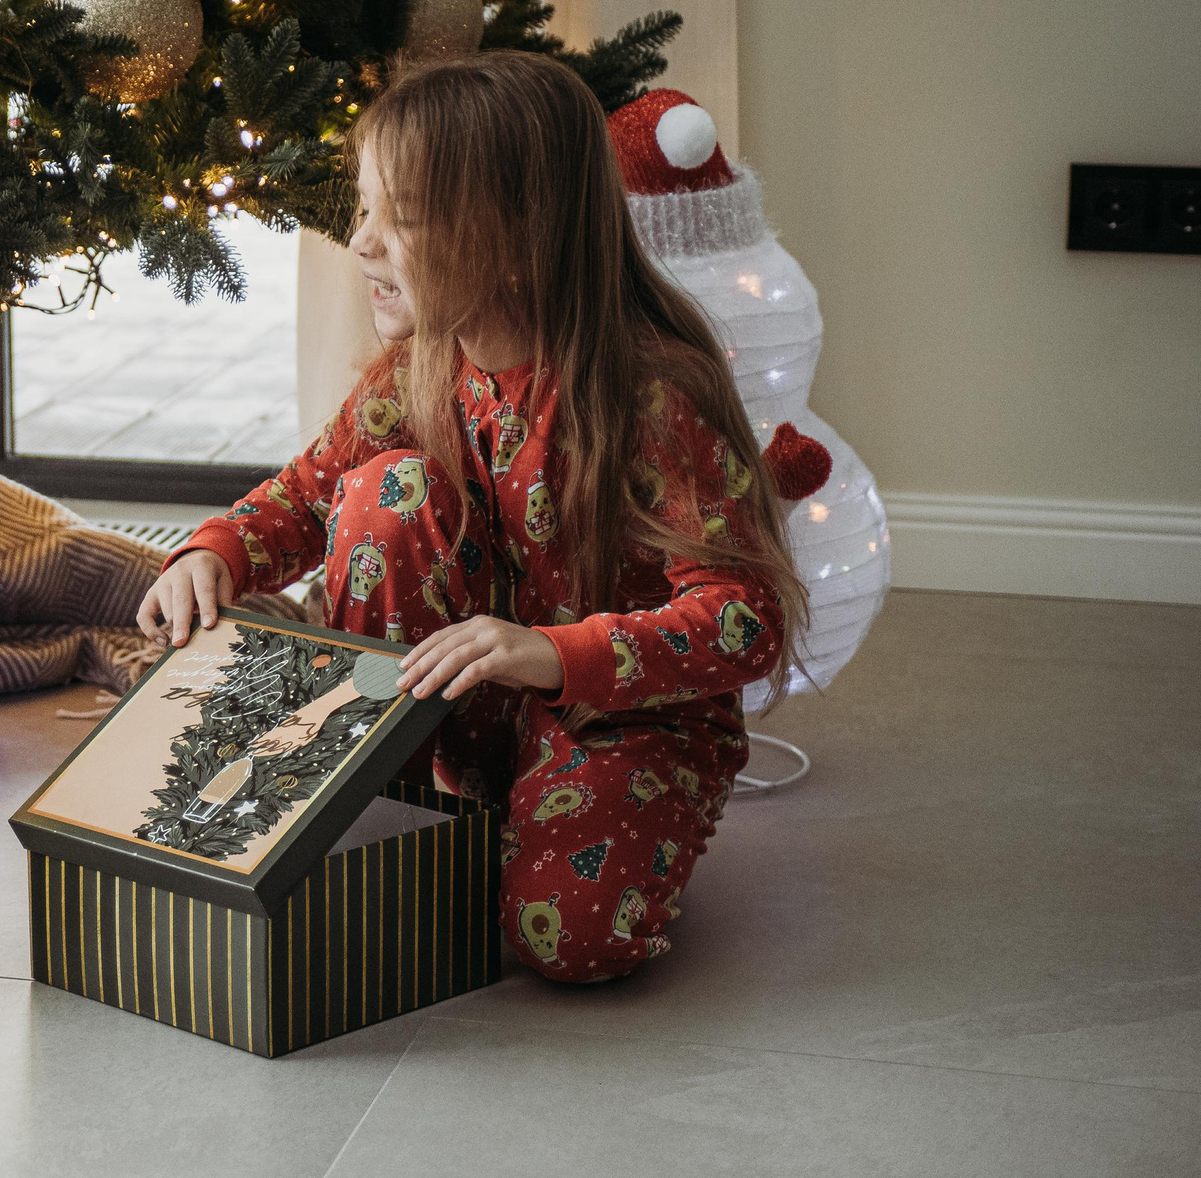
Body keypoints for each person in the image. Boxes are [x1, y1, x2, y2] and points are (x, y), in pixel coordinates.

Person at [137, 53, 807, 983]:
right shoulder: (425, 365)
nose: (361, 243)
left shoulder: (651, 392)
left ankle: (529, 826)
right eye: (364, 208)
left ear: (518, 233)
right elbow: (305, 491)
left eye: (402, 217)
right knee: (384, 492)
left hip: (625, 719)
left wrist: (552, 654)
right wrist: (211, 554)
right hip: (471, 709)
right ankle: (400, 803)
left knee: (566, 940)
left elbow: (746, 617)